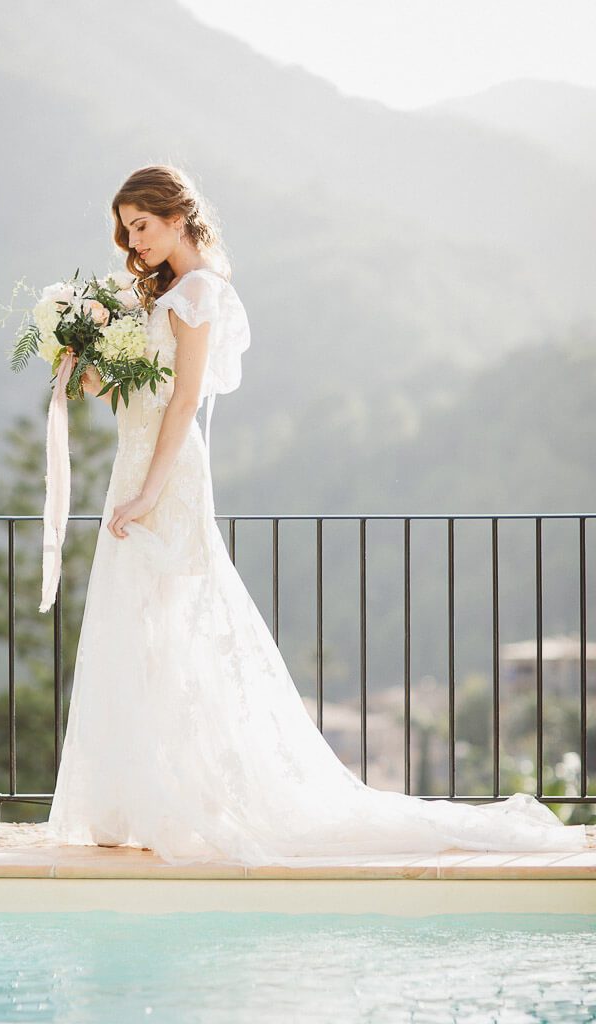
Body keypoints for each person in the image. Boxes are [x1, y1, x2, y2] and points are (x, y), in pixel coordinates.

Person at [43, 164, 593, 866]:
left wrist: (151, 493)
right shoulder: (157, 293)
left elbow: (183, 402)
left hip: (167, 473)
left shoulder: (199, 292)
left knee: (172, 617)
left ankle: (185, 796)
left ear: (176, 217)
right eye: (125, 229)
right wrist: (83, 358)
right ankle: (141, 797)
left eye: (141, 224)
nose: (133, 239)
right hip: (137, 460)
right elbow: (130, 392)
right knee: (140, 623)